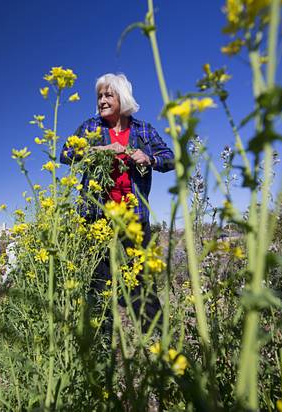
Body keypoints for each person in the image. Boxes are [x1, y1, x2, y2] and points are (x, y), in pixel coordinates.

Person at [60, 73, 174, 332]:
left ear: (122, 98)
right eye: (99, 95)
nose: (101, 100)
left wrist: (149, 158)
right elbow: (65, 154)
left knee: (142, 276)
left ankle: (155, 335)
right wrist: (98, 150)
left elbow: (169, 157)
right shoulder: (90, 127)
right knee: (98, 278)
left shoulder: (143, 130)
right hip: (97, 214)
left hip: (134, 214)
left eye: (107, 95)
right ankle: (101, 337)